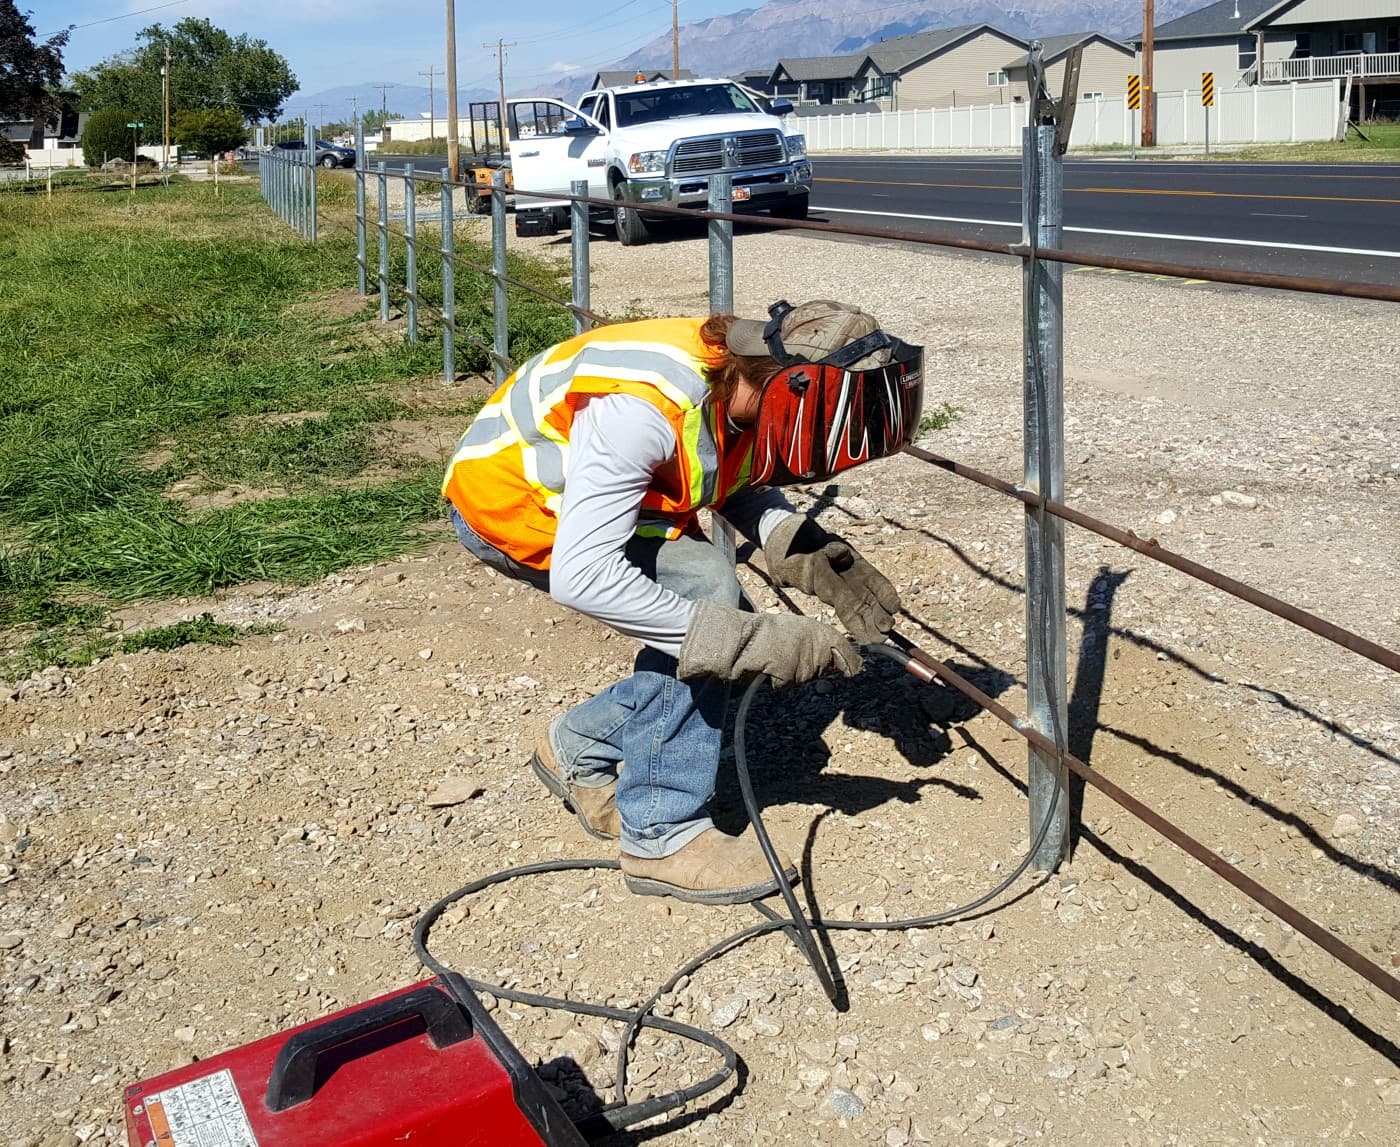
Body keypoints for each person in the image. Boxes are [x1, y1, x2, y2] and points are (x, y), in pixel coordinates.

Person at [442, 300, 923, 905]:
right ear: (789, 388)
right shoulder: (641, 410)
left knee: (716, 625)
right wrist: (750, 639)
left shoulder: (743, 384)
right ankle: (661, 834)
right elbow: (583, 576)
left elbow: (729, 471)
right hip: (521, 508)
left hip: (602, 499)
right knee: (711, 605)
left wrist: (801, 547)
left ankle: (579, 743)